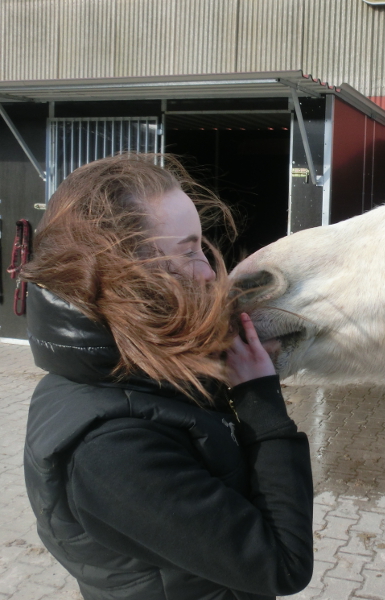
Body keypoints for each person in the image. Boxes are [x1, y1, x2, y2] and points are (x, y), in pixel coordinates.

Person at [21, 154, 313, 599]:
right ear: (123, 271)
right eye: (188, 250)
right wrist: (259, 402)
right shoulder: (111, 453)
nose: (209, 271)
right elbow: (282, 564)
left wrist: (219, 363)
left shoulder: (120, 371)